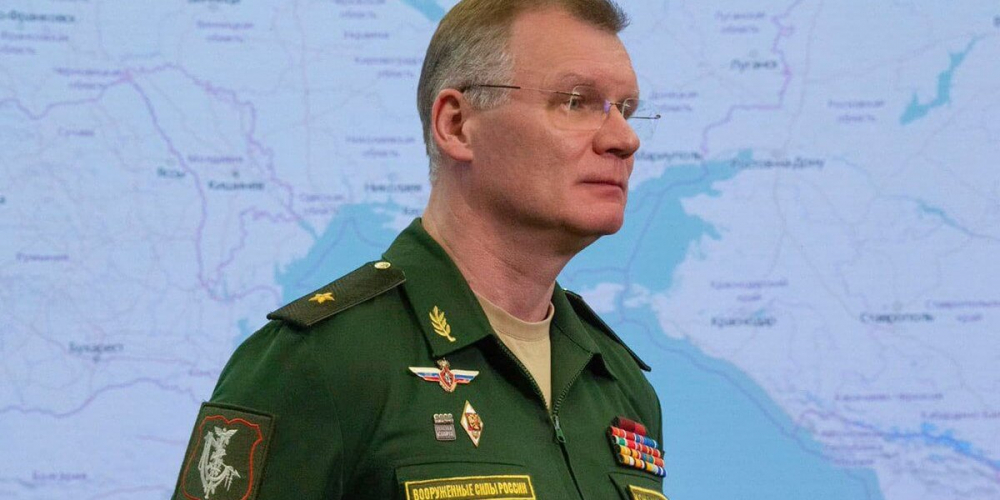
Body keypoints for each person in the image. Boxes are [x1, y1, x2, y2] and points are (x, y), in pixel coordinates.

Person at [173, 1, 666, 499]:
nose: (625, 139)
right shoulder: (320, 363)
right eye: (576, 102)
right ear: (457, 124)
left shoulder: (619, 384)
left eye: (626, 110)